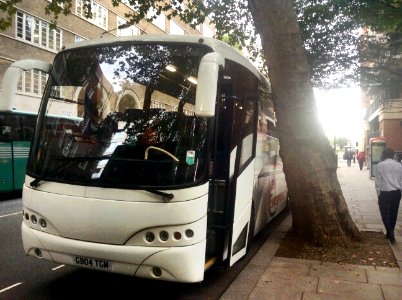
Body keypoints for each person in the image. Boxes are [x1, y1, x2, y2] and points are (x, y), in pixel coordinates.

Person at [375, 147, 402, 244]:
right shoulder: (399, 165)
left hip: (384, 192)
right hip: (396, 192)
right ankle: (390, 233)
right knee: (394, 213)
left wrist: (378, 193)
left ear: (384, 155)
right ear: (393, 155)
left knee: (384, 213)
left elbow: (378, 181)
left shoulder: (380, 165)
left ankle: (390, 232)